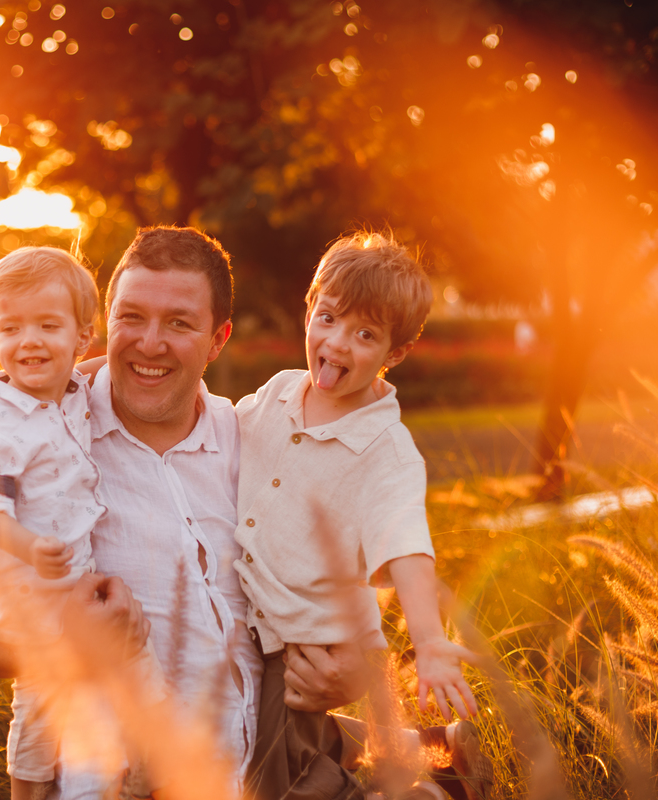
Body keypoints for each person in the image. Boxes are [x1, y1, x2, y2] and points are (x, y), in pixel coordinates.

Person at [0, 227, 378, 799]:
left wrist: (349, 673)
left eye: (179, 323)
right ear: (104, 323)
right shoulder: (42, 443)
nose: (149, 343)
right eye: (131, 317)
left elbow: (342, 596)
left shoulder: (251, 443)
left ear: (217, 339)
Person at [235, 232, 493, 800]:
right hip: (256, 621)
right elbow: (212, 429)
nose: (337, 343)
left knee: (274, 780)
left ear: (395, 353)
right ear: (309, 309)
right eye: (328, 318)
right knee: (269, 739)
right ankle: (435, 748)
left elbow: (406, 544)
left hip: (306, 642)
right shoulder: (278, 392)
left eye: (365, 334)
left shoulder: (387, 451)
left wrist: (429, 641)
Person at [0, 246, 164, 800]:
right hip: (19, 584)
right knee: (43, 693)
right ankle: (29, 786)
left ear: (81, 336)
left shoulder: (70, 392)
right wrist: (30, 547)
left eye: (48, 325)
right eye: (11, 328)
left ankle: (150, 756)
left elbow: (97, 368)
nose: (29, 341)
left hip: (64, 576)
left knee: (131, 649)